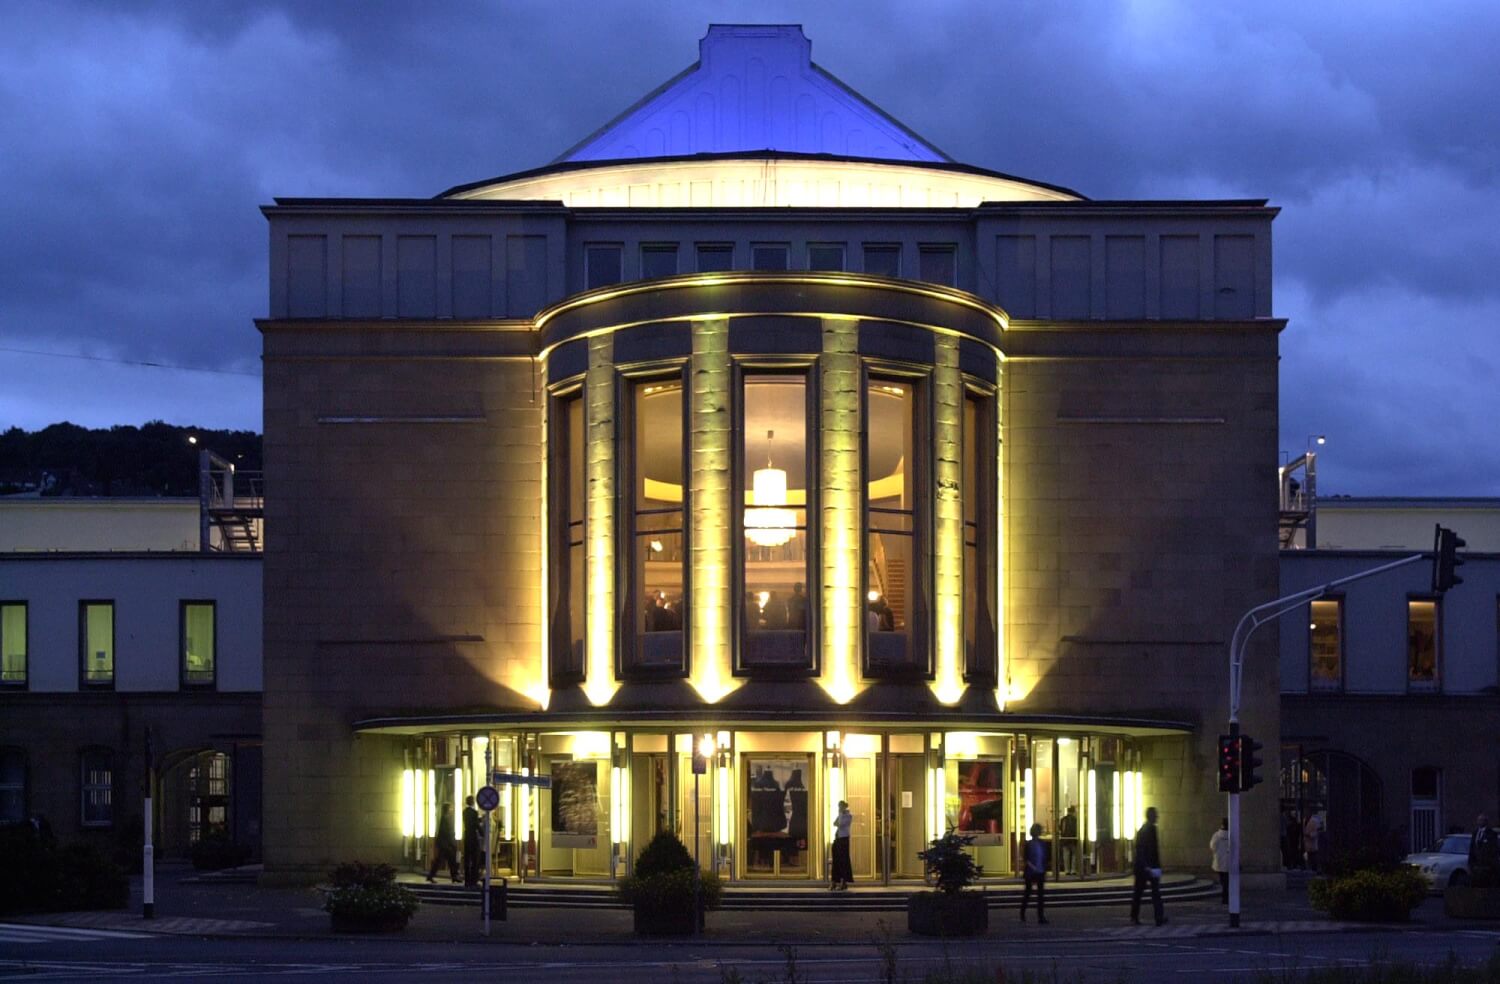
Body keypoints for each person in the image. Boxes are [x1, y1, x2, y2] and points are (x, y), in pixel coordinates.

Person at [1130, 806, 1166, 926]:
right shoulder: (1148, 830)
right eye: (1155, 815)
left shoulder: (1147, 829)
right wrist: (1148, 866)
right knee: (1149, 892)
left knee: (1142, 893)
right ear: (1151, 816)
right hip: (1145, 867)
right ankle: (1157, 917)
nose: (1157, 817)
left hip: (1146, 866)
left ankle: (1156, 916)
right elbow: (1143, 850)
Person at [1021, 822, 1049, 923]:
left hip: (1040, 871)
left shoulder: (1042, 844)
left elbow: (1045, 857)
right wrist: (1033, 867)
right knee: (1028, 893)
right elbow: (1026, 858)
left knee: (1040, 895)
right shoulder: (1030, 844)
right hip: (1031, 871)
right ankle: (1023, 913)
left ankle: (1040, 916)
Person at [427, 801, 460, 884]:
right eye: (451, 808)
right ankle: (454, 877)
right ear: (447, 809)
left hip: (445, 844)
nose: (452, 810)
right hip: (445, 845)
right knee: (446, 861)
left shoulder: (444, 818)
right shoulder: (445, 819)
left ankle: (454, 876)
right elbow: (446, 832)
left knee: (448, 861)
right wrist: (451, 843)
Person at [830, 800, 854, 891]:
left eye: (840, 806)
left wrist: (840, 814)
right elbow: (834, 823)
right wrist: (839, 816)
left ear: (844, 807)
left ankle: (844, 882)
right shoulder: (841, 816)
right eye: (838, 806)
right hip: (837, 839)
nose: (839, 808)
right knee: (836, 861)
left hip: (844, 840)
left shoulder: (848, 816)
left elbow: (839, 824)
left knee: (843, 861)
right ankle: (834, 882)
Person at [462, 795, 482, 887]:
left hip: (467, 837)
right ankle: (473, 881)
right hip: (473, 838)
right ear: (473, 802)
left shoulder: (464, 812)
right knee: (475, 860)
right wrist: (483, 833)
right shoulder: (474, 812)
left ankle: (467, 881)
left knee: (467, 860)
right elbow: (476, 825)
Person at [1209, 818, 1230, 904]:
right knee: (1227, 880)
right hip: (1229, 861)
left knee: (1222, 880)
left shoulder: (1216, 835)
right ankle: (1226, 896)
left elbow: (1212, 846)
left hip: (1219, 860)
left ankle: (1224, 897)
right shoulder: (1231, 835)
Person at [1058, 805, 1079, 875]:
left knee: (1066, 855)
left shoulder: (1063, 819)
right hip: (1073, 840)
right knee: (1074, 855)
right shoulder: (1076, 819)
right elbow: (1077, 830)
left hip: (1065, 840)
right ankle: (1073, 870)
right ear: (1073, 811)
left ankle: (1067, 870)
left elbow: (1060, 829)